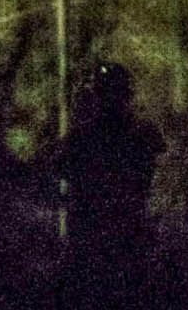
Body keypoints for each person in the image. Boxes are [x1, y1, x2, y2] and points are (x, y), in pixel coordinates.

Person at [59, 61, 162, 279]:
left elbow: (59, 169)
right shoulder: (141, 134)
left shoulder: (84, 136)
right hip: (120, 237)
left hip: (98, 239)